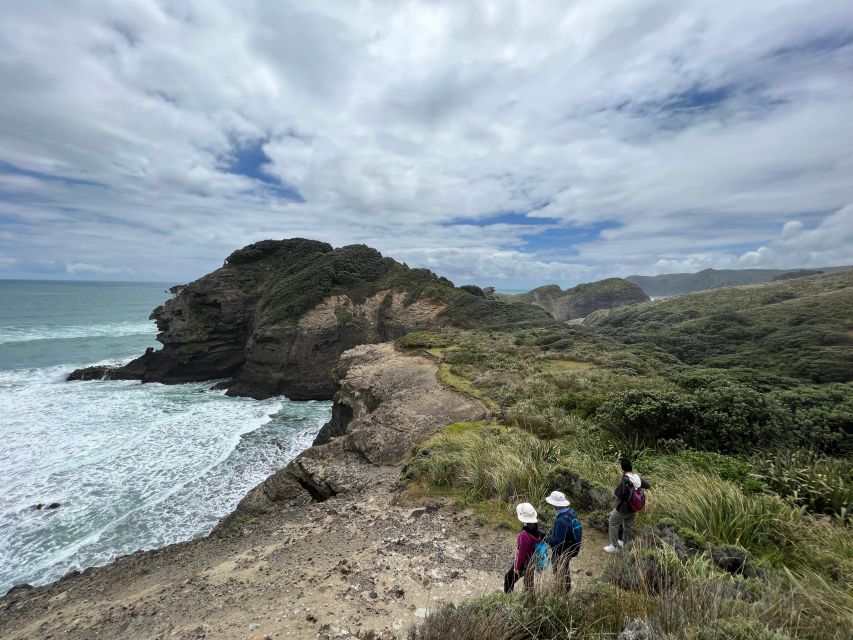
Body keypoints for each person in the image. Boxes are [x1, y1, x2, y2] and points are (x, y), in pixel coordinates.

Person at [604, 458, 651, 553]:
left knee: (612, 522)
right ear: (631, 467)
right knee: (628, 525)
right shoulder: (638, 477)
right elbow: (648, 485)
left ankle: (614, 546)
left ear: (622, 469)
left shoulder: (624, 480)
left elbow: (618, 494)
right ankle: (625, 543)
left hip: (623, 508)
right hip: (634, 507)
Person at [544, 490, 581, 593]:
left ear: (556, 505)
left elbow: (557, 542)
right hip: (571, 548)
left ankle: (562, 590)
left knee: (560, 568)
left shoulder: (560, 521)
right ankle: (566, 587)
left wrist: (545, 537)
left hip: (562, 551)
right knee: (565, 567)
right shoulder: (571, 513)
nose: (550, 504)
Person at [504, 502, 544, 593]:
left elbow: (521, 554)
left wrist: (517, 568)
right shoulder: (536, 528)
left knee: (508, 578)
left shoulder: (524, 535)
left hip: (525, 563)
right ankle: (529, 600)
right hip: (533, 560)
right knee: (529, 584)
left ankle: (508, 600)